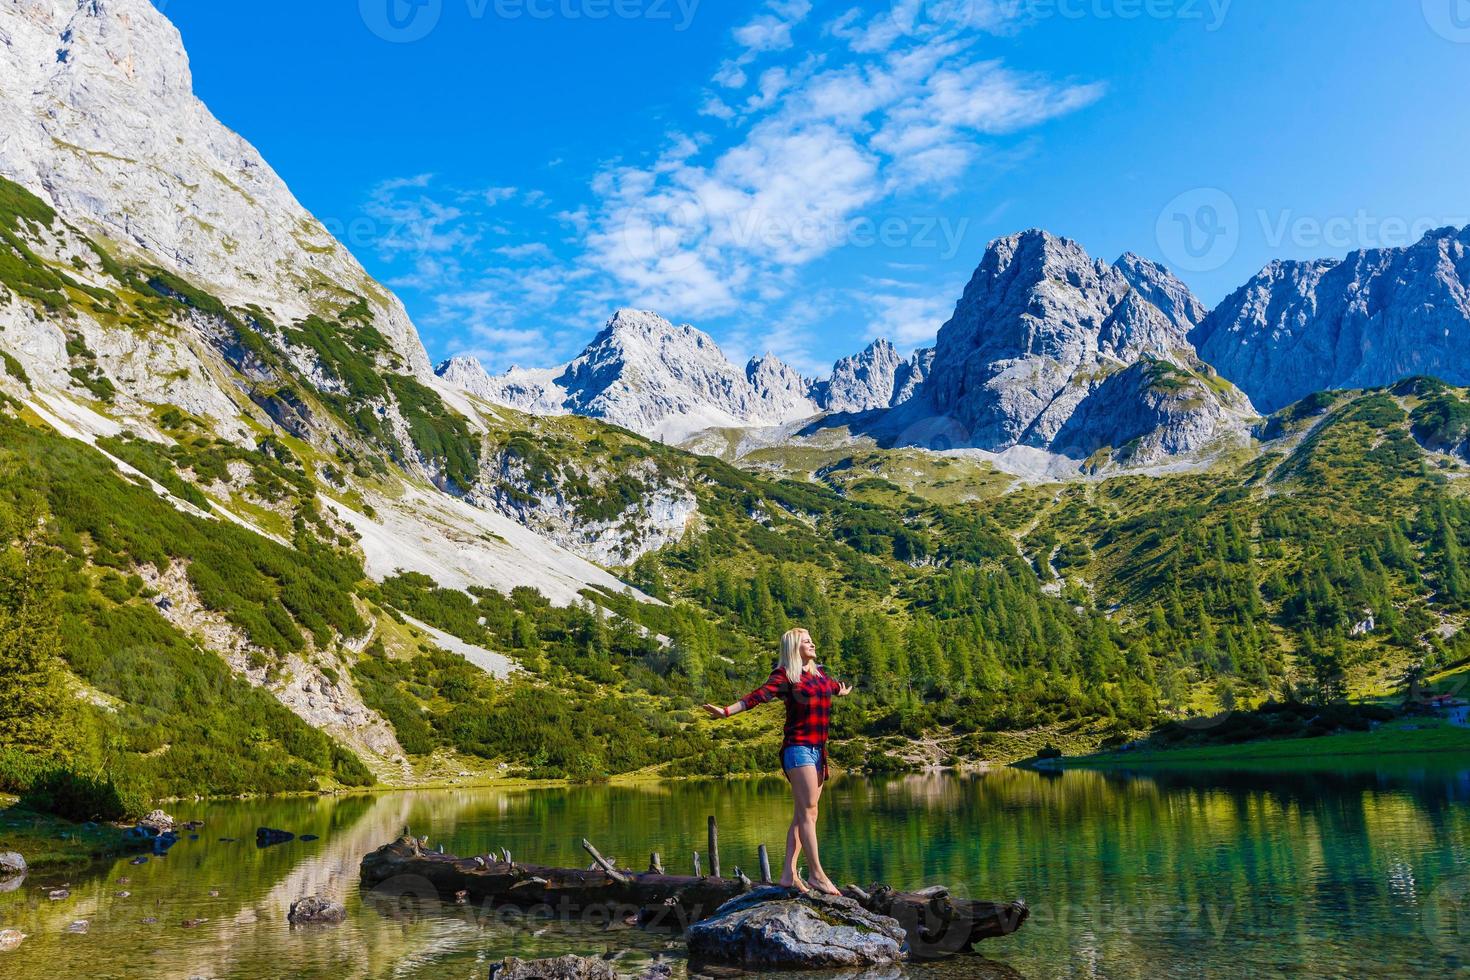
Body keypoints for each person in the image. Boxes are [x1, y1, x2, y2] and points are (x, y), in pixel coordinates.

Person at [702, 627, 853, 896]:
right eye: (807, 641)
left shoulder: (819, 676)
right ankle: (817, 875)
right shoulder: (785, 676)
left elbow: (831, 687)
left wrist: (839, 692)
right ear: (795, 646)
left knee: (805, 814)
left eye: (812, 640)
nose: (813, 643)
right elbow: (757, 696)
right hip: (798, 749)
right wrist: (726, 712)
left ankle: (787, 874)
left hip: (819, 751)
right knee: (808, 812)